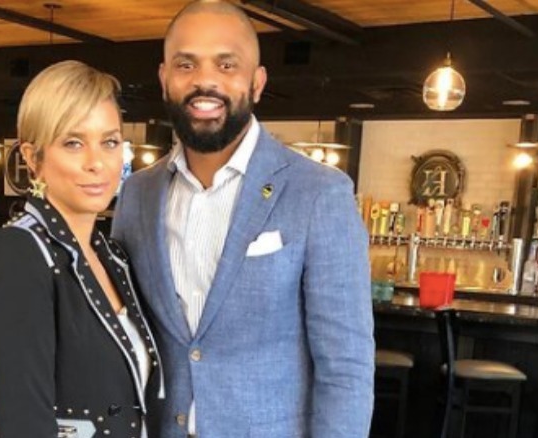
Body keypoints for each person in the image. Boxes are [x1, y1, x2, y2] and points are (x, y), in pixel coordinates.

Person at [111, 1, 374, 437]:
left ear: (257, 83)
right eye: (186, 64)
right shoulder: (138, 194)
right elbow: (121, 336)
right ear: (164, 79)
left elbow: (345, 367)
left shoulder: (319, 193)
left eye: (226, 64)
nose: (205, 80)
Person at [0, 60, 163, 438]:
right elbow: (21, 427)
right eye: (74, 143)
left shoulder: (114, 256)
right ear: (32, 156)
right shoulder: (17, 254)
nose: (97, 163)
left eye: (109, 142)